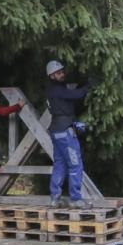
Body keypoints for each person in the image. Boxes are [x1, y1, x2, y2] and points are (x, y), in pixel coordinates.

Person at [46, 60, 92, 209]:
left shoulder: (54, 90)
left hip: (56, 132)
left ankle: (55, 198)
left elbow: (71, 100)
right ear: (52, 75)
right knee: (75, 164)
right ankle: (76, 199)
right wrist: (87, 86)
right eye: (58, 73)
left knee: (59, 165)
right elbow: (77, 95)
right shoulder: (57, 89)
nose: (62, 74)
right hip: (65, 132)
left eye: (62, 72)